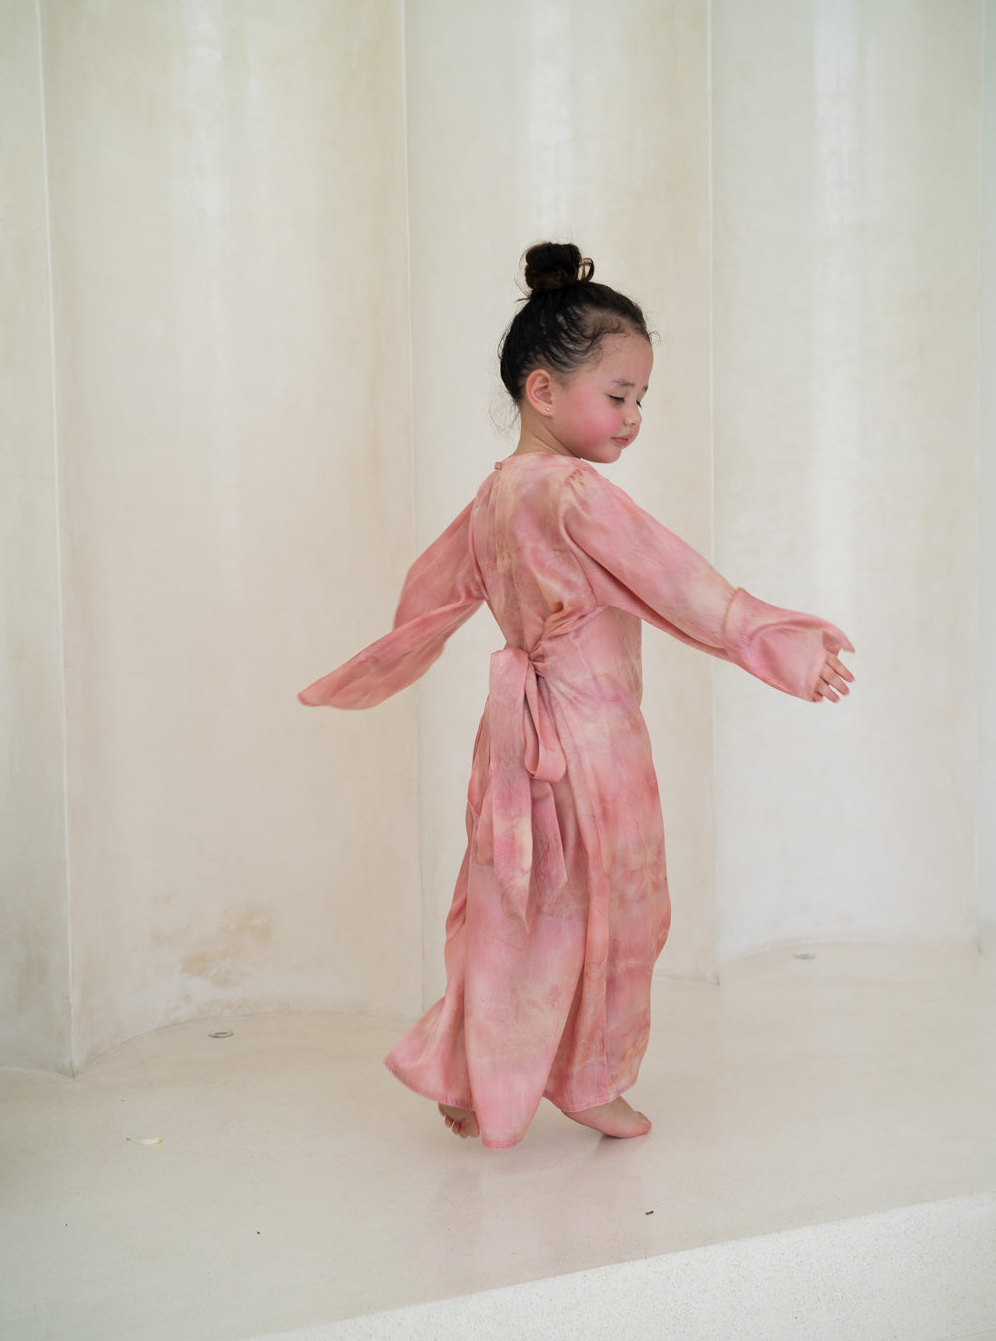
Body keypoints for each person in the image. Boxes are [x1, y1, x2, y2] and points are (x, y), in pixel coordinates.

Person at [298, 242, 854, 1150]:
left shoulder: (496, 494)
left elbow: (429, 595)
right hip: (590, 745)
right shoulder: (571, 492)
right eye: (619, 395)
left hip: (514, 743)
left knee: (513, 908)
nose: (633, 418)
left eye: (642, 400)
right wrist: (780, 643)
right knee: (623, 910)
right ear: (542, 390)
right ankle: (592, 1078)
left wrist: (370, 669)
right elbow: (681, 585)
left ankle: (473, 1069)